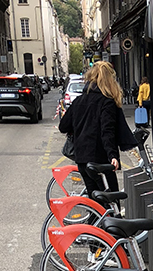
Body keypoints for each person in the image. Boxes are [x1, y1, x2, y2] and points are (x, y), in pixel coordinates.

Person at [59, 62, 135, 195]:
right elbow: (107, 131)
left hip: (82, 159)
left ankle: (94, 216)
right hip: (100, 160)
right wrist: (112, 155)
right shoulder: (107, 102)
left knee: (96, 202)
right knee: (111, 201)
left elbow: (63, 126)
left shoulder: (79, 101)